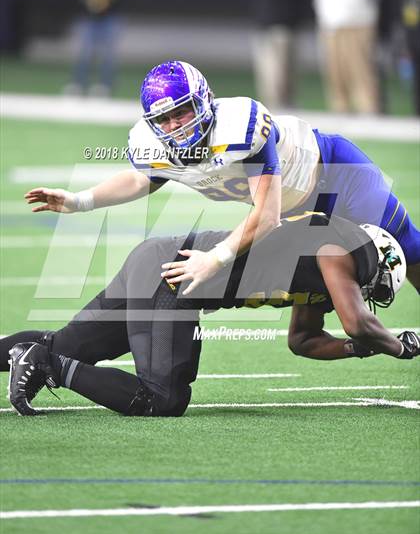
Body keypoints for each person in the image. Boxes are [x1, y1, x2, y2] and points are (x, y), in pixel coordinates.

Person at [25, 60, 420, 293]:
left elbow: (266, 217)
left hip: (337, 174)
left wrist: (214, 259)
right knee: (322, 292)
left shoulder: (240, 127)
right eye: (164, 119)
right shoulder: (154, 145)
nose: (175, 125)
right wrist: (79, 201)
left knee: (409, 248)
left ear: (204, 101)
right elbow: (139, 178)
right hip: (297, 206)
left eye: (182, 111)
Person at [4, 213, 419, 417]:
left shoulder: (324, 271)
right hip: (172, 280)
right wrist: (398, 346)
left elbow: (304, 340)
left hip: (158, 261)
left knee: (68, 345)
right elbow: (358, 322)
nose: (365, 295)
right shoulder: (342, 246)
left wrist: (356, 349)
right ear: (376, 262)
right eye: (374, 289)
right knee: (163, 398)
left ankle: (43, 357)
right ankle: (47, 366)